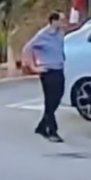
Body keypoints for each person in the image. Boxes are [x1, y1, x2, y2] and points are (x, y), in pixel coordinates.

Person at [23, 12, 67, 143]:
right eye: (61, 20)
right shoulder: (43, 35)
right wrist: (34, 67)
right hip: (48, 71)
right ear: (53, 21)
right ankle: (52, 131)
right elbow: (27, 49)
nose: (64, 22)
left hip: (59, 69)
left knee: (57, 99)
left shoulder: (60, 33)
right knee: (50, 101)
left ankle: (42, 126)